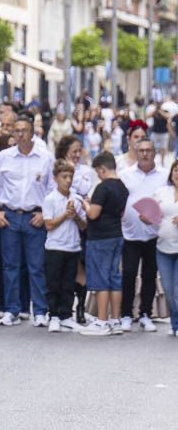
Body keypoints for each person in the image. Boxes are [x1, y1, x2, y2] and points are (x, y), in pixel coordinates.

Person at [0, 114, 55, 327]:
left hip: (34, 217)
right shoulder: (5, 156)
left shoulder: (45, 157)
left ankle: (40, 311)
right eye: (16, 131)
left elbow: (52, 189)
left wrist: (45, 213)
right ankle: (11, 310)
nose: (20, 134)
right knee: (10, 266)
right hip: (10, 216)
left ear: (32, 133)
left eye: (24, 130)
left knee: (36, 266)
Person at [118, 139, 168, 332]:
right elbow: (118, 199)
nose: (145, 154)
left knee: (150, 275)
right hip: (130, 234)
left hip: (154, 234)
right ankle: (126, 314)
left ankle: (146, 313)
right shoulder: (125, 175)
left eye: (148, 150)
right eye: (141, 150)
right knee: (129, 274)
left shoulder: (164, 175)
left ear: (154, 152)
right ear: (136, 152)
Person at [79, 151, 128, 337]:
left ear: (102, 169)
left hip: (100, 237)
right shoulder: (122, 187)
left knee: (101, 279)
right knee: (114, 278)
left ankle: (101, 321)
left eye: (98, 172)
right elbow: (121, 213)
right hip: (116, 234)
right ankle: (115, 320)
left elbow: (93, 214)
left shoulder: (103, 187)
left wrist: (85, 205)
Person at [42, 160, 85, 332]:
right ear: (55, 178)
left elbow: (83, 225)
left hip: (73, 246)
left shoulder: (77, 199)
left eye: (70, 177)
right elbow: (48, 224)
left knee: (69, 283)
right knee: (53, 284)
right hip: (54, 247)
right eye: (64, 176)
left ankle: (66, 315)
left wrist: (75, 216)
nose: (68, 180)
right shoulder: (50, 199)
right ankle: (53, 315)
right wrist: (65, 215)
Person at [155, 159, 178, 337]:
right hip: (163, 248)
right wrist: (147, 218)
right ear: (171, 173)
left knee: (177, 290)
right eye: (176, 170)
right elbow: (153, 214)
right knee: (168, 290)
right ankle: (174, 322)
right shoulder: (161, 192)